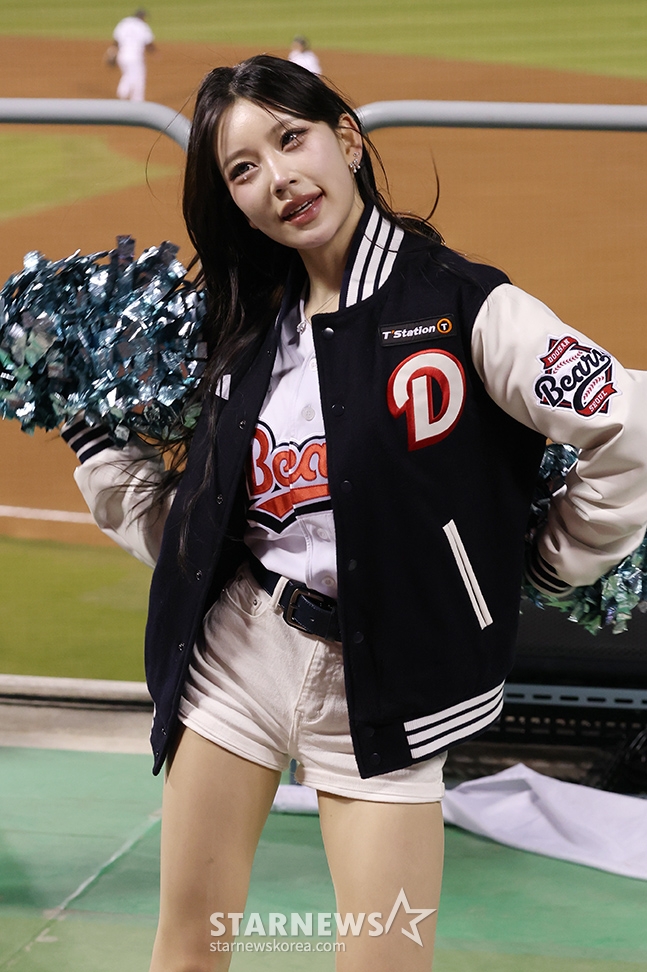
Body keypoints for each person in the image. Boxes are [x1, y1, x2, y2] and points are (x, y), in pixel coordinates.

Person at [61, 55, 647, 970]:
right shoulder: (246, 321)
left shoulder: (464, 306)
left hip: (389, 681)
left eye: (290, 139)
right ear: (234, 201)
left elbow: (626, 418)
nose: (278, 178)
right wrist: (98, 450)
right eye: (243, 168)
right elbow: (202, 525)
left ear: (346, 139)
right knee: (188, 948)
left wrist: (552, 560)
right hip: (238, 658)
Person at [112, 8, 155, 102]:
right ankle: (136, 100)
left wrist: (112, 52)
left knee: (128, 75)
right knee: (138, 78)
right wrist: (155, 52)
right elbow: (149, 44)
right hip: (135, 57)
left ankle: (122, 95)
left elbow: (116, 40)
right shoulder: (142, 26)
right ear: (142, 17)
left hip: (122, 56)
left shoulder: (124, 22)